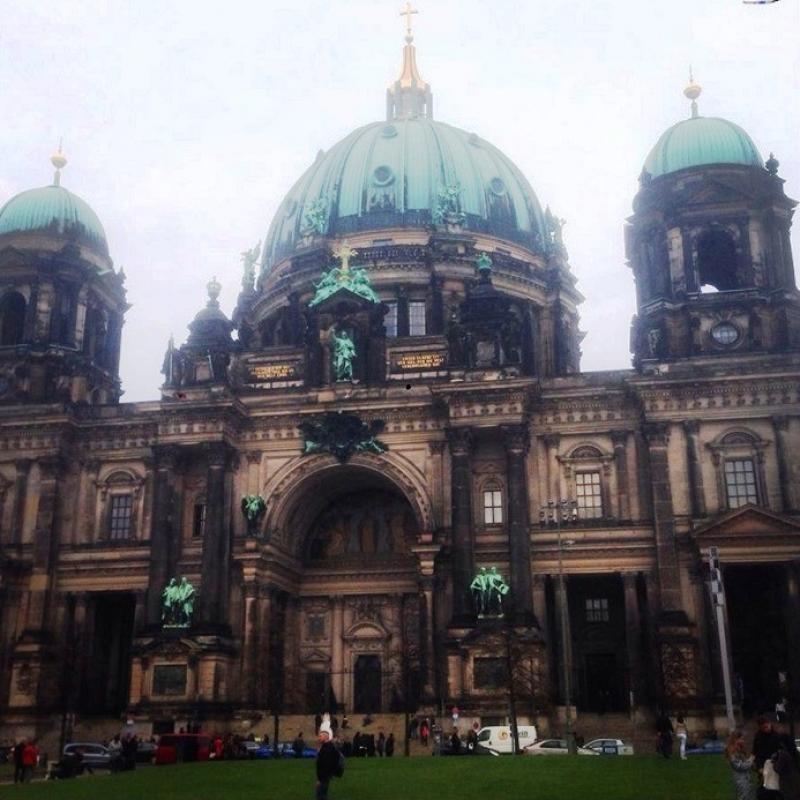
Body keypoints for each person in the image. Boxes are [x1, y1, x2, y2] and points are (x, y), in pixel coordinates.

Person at [315, 716, 341, 800]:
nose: (319, 738)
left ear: (326, 737)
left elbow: (324, 764)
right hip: (325, 776)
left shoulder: (327, 748)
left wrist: (320, 779)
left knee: (321, 795)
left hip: (324, 776)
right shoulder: (327, 747)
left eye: (321, 736)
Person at [726, 730, 756, 800]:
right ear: (736, 739)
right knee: (743, 797)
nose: (743, 741)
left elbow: (745, 764)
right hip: (740, 780)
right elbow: (741, 766)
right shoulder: (732, 753)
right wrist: (751, 760)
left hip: (747, 779)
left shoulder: (741, 751)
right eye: (742, 739)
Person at [774, 723, 800, 800]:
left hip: (787, 782)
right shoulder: (795, 752)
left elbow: (778, 769)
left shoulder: (783, 754)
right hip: (797, 779)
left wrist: (774, 763)